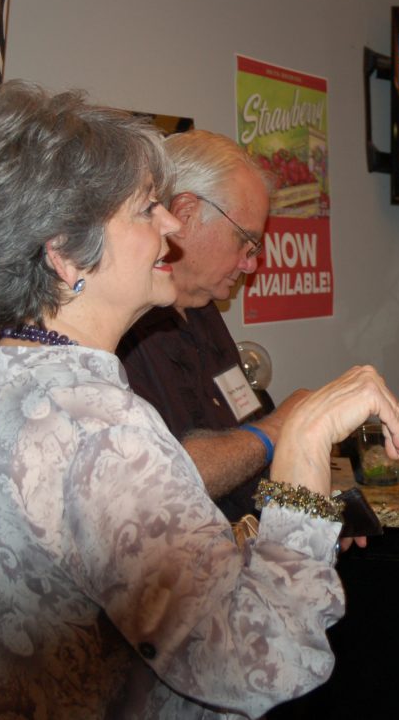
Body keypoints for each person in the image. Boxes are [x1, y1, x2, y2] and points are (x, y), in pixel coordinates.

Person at [0, 81, 399, 719]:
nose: (171, 225)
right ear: (66, 251)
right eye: (146, 209)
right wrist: (302, 442)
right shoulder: (102, 428)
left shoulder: (9, 383)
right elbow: (266, 659)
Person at [117, 130, 300, 521]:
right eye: (245, 241)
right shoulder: (121, 326)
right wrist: (284, 424)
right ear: (185, 215)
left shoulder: (203, 309)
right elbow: (164, 482)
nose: (251, 264)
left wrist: (313, 509)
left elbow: (247, 450)